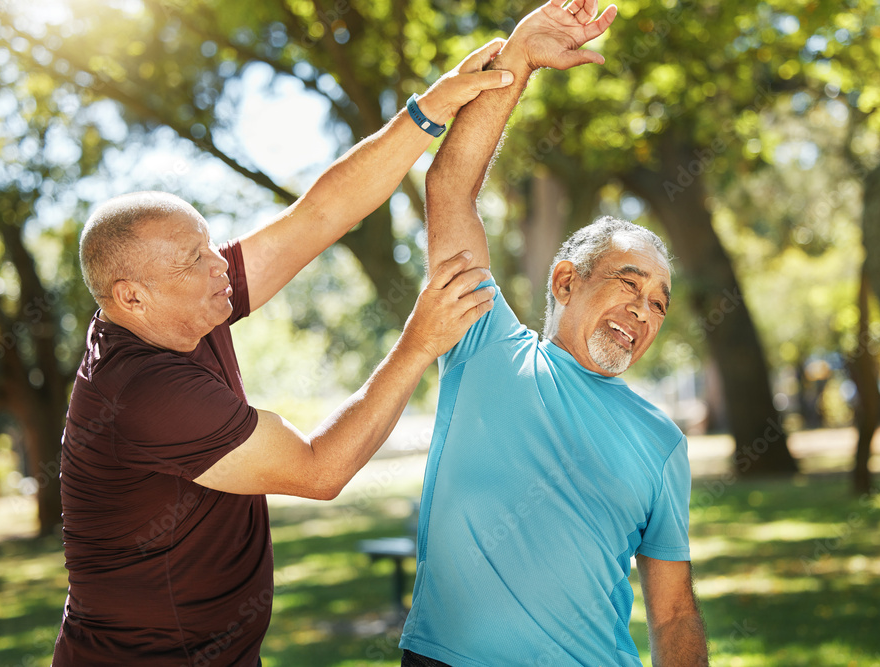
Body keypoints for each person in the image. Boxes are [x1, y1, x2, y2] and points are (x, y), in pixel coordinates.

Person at [51, 40, 514, 667]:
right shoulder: (143, 392)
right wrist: (419, 344)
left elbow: (321, 214)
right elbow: (319, 470)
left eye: (210, 244)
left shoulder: (186, 308)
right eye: (195, 259)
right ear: (131, 297)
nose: (221, 266)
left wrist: (429, 109)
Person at [398, 1, 709, 665]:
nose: (644, 311)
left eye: (659, 302)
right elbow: (449, 185)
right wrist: (521, 58)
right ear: (565, 281)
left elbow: (675, 611)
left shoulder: (662, 444)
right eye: (629, 283)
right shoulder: (483, 348)